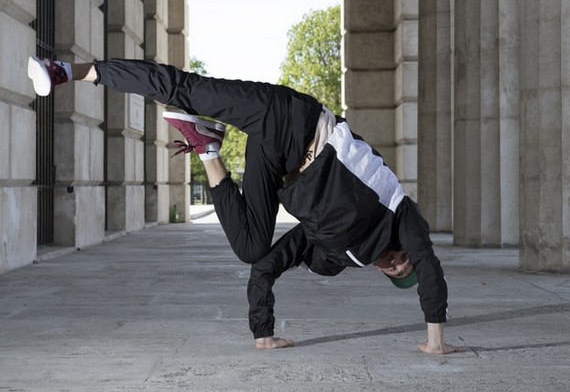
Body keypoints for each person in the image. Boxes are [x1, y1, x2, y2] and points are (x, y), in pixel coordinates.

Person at [28, 55, 461, 355]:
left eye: (397, 270)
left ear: (386, 273)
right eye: (406, 262)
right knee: (185, 89)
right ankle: (66, 71)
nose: (399, 261)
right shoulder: (398, 210)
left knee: (251, 246)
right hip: (291, 119)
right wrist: (435, 337)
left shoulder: (335, 250)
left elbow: (269, 265)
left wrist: (263, 331)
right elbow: (428, 262)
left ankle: (208, 149)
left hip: (278, 166)